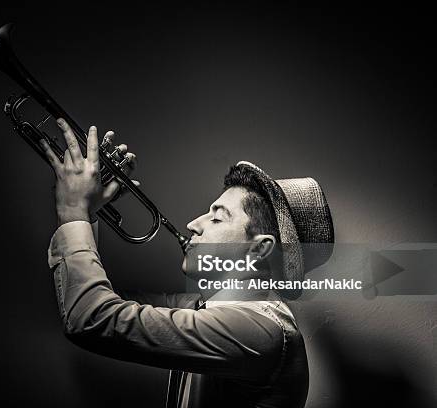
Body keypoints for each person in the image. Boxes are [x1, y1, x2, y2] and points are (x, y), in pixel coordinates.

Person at [39, 119, 334, 408]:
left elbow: (90, 318)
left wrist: (73, 209)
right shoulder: (202, 308)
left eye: (217, 217)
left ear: (259, 249)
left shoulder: (259, 331)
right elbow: (79, 300)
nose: (193, 224)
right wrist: (89, 214)